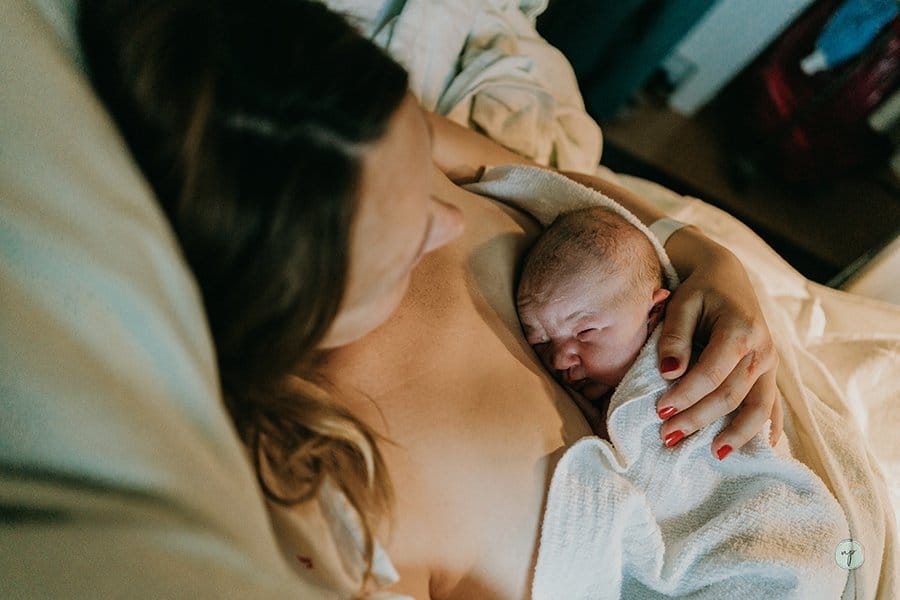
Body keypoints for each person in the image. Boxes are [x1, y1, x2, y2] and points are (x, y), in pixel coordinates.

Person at [78, 0, 783, 596]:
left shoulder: (344, 129)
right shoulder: (337, 497)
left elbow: (550, 185)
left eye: (425, 168)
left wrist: (705, 259)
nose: (448, 217)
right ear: (298, 296)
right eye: (410, 228)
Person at [516, 206, 673, 440]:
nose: (559, 360)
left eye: (584, 331)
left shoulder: (668, 376)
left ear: (653, 314)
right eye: (540, 340)